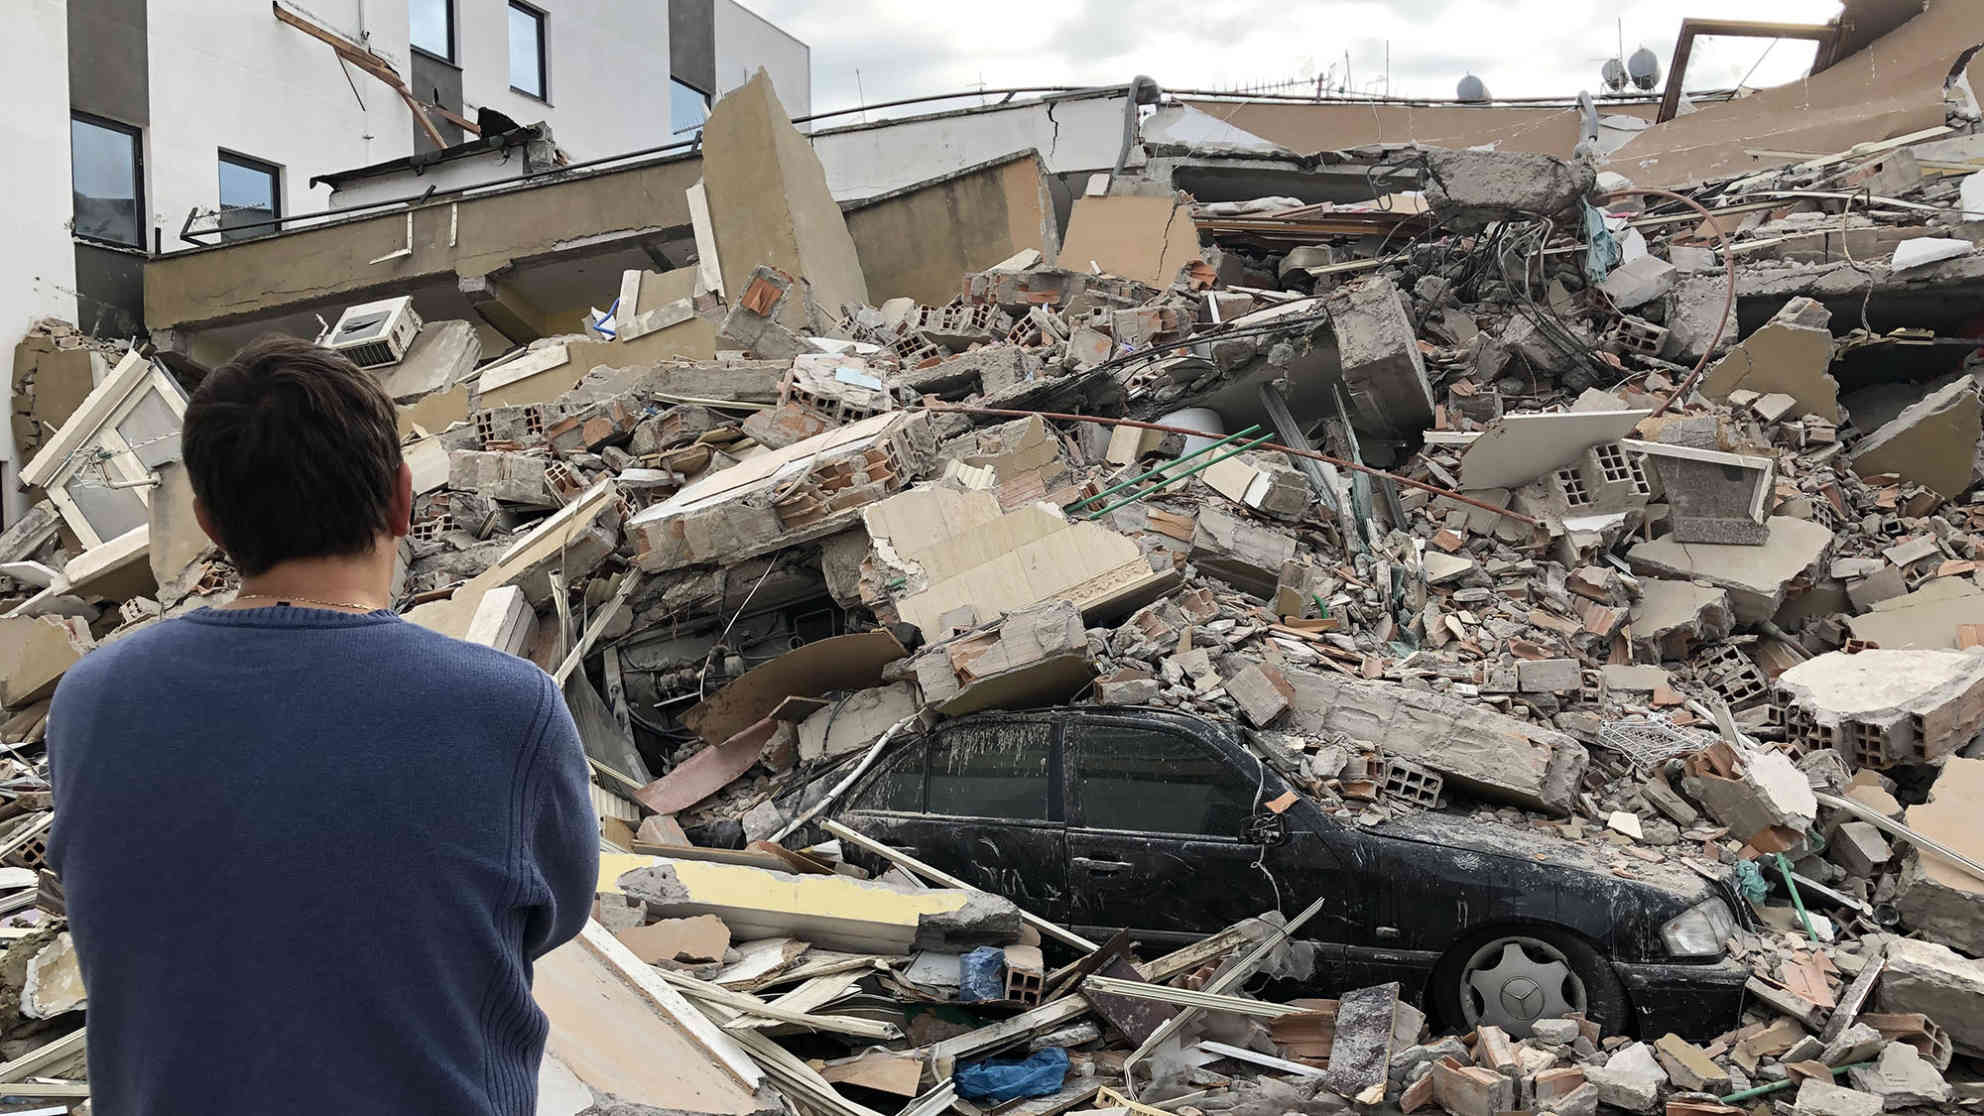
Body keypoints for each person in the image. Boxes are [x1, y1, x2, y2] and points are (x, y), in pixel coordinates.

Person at [46, 336, 599, 1115]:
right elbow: (555, 918)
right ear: (404, 498)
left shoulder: (90, 702)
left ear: (208, 522)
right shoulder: (507, 711)